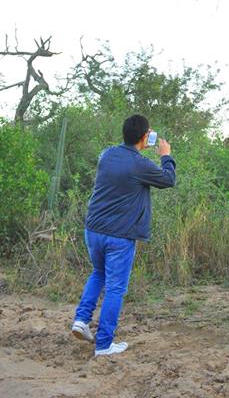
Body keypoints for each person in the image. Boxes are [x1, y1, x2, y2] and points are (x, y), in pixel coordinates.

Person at [70, 114, 176, 356]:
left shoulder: (106, 155)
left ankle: (81, 320)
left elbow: (119, 162)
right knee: (116, 288)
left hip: (93, 229)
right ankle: (104, 344)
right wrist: (165, 155)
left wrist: (139, 147)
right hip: (119, 237)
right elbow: (169, 179)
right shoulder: (141, 165)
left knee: (98, 274)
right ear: (144, 136)